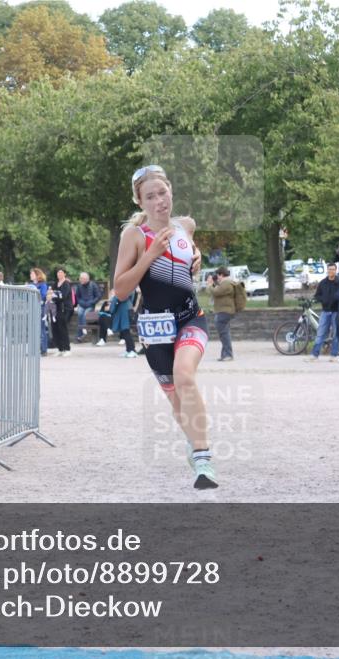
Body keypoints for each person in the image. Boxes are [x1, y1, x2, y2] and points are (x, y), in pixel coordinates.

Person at [112, 164, 215, 489]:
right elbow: (120, 289)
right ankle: (193, 444)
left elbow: (188, 257)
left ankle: (203, 461)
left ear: (171, 191)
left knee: (185, 375)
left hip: (189, 316)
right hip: (156, 325)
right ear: (140, 202)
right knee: (175, 399)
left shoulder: (186, 225)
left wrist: (197, 255)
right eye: (150, 196)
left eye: (163, 193)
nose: (159, 201)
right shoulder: (134, 235)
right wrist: (150, 255)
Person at [307, 263, 339, 362]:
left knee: (336, 334)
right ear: (327, 270)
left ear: (336, 270)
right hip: (325, 311)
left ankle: (333, 355)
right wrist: (324, 299)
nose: (331, 271)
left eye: (333, 269)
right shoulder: (322, 283)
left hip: (336, 312)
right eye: (329, 269)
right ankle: (315, 355)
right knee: (320, 333)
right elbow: (317, 296)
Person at [97, 288, 140, 358]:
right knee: (124, 331)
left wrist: (113, 306)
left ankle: (132, 350)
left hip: (125, 310)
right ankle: (129, 350)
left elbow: (121, 297)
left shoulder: (128, 287)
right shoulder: (129, 287)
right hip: (123, 309)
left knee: (126, 330)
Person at [209, 266, 238, 361]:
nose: (217, 277)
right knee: (224, 333)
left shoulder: (226, 283)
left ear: (221, 274)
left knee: (224, 333)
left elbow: (216, 292)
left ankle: (228, 355)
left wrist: (210, 284)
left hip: (225, 311)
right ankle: (225, 355)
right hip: (224, 310)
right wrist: (213, 283)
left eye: (218, 275)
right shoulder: (225, 283)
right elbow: (216, 291)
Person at [51, 268, 73, 356]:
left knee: (63, 328)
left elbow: (63, 296)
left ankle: (67, 349)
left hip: (65, 309)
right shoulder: (55, 284)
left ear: (65, 274)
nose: (59, 274)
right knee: (55, 328)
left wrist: (55, 296)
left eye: (61, 272)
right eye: (58, 272)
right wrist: (54, 296)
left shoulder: (66, 284)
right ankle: (60, 348)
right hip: (55, 309)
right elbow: (50, 294)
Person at [74, 272, 101, 342]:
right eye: (80, 278)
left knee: (85, 314)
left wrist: (91, 302)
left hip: (90, 305)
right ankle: (81, 333)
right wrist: (81, 303)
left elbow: (98, 296)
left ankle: (83, 332)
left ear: (86, 279)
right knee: (80, 313)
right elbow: (77, 297)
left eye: (81, 278)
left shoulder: (93, 285)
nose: (80, 280)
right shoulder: (79, 286)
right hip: (82, 305)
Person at [29, 268, 49, 356]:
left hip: (40, 308)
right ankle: (34, 349)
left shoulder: (43, 285)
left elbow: (43, 295)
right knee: (33, 330)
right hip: (32, 308)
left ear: (37, 275)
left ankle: (44, 349)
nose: (30, 275)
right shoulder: (30, 285)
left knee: (41, 329)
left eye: (32, 274)